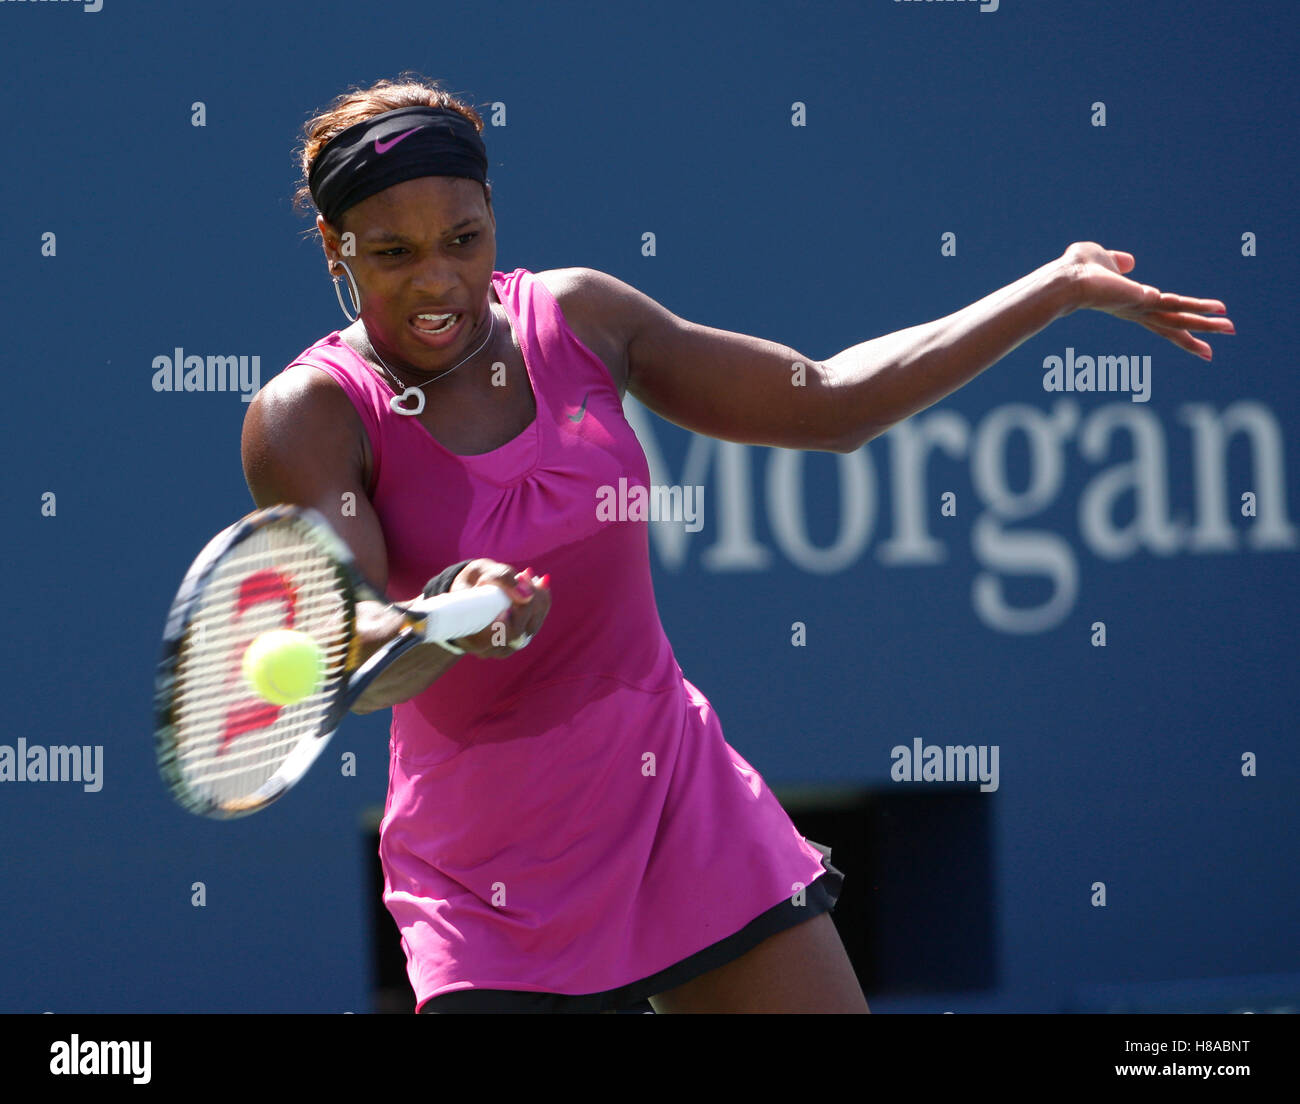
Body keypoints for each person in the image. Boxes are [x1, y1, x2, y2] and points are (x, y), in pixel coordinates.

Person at [241, 75, 1233, 1014]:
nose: (439, 282)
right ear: (335, 249)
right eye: (392, 254)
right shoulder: (310, 415)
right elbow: (356, 652)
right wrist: (448, 622)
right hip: (485, 871)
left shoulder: (581, 318)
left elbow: (832, 403)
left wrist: (1056, 289)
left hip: (676, 800)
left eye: (463, 238)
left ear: (494, 215)